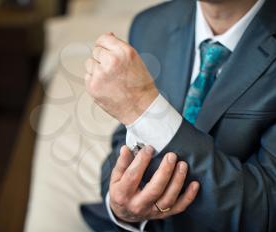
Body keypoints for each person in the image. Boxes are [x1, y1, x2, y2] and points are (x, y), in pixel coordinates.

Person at [82, 0, 276, 231]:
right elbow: (122, 141)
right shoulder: (150, 25)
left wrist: (145, 108)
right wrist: (122, 209)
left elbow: (268, 210)